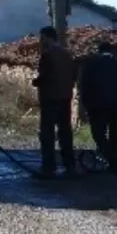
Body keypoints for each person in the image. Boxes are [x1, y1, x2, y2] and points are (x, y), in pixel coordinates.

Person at [79, 42, 117, 173]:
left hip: (97, 106)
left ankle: (111, 158)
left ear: (98, 51)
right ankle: (115, 161)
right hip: (116, 106)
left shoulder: (91, 65)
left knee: (98, 134)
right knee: (113, 131)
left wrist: (85, 105)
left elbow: (83, 87)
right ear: (111, 51)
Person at [32, 26, 78, 177]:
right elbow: (74, 75)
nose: (40, 41)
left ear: (47, 37)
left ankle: (49, 167)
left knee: (47, 134)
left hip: (50, 98)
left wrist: (36, 82)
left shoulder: (47, 55)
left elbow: (45, 77)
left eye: (42, 38)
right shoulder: (66, 54)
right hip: (65, 97)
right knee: (65, 132)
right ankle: (70, 165)